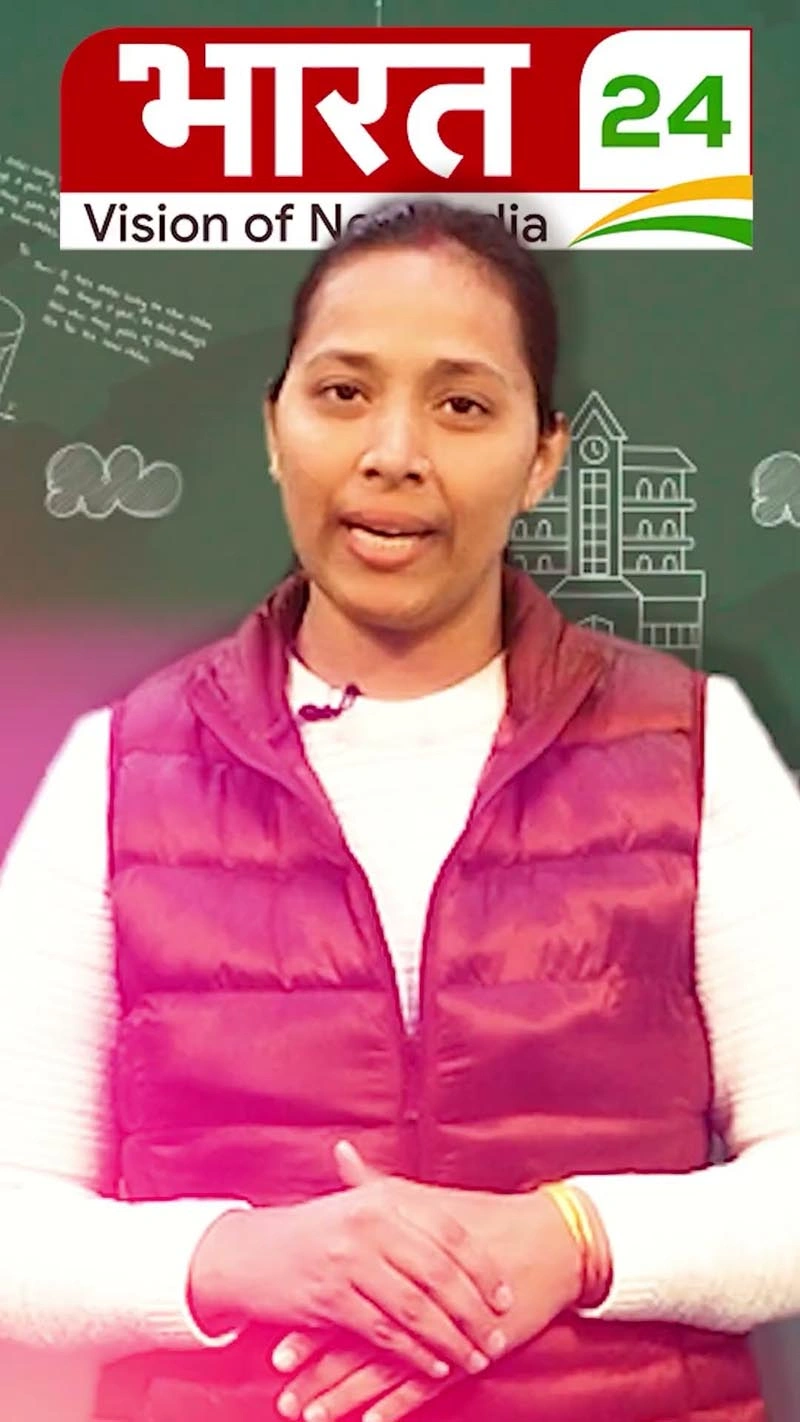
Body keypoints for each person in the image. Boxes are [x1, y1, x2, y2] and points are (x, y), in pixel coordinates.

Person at [0, 199, 799, 1422]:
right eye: (341, 393)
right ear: (273, 428)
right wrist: (239, 1258)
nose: (392, 452)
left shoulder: (695, 749)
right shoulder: (118, 767)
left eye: (462, 404)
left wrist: (570, 1239)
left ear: (543, 456)